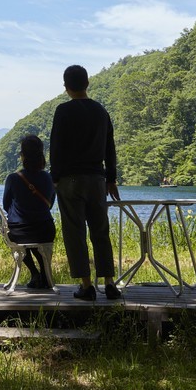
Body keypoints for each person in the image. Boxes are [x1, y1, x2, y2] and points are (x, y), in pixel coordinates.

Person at [49, 64, 121, 301]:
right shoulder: (101, 111)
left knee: (75, 232)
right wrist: (111, 179)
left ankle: (87, 285)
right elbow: (110, 148)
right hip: (97, 180)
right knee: (101, 231)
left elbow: (56, 147)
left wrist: (55, 178)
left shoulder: (63, 111)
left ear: (66, 87)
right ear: (87, 83)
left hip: (70, 180)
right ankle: (110, 283)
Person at [2, 134, 57, 289]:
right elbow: (50, 204)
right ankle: (45, 274)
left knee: (20, 238)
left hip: (20, 231)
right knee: (37, 236)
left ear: (22, 155)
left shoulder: (13, 178)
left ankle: (35, 273)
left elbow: (6, 205)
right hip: (45, 229)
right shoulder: (48, 178)